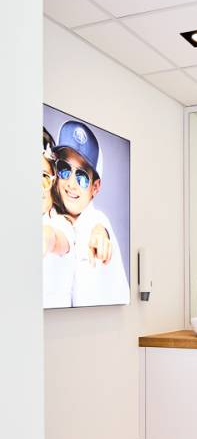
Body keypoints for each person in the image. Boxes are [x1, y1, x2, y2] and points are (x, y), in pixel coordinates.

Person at [52, 120, 129, 307]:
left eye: (82, 176)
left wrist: (102, 235)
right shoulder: (48, 214)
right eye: (64, 169)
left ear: (95, 187)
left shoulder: (98, 222)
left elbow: (99, 229)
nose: (71, 184)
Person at [42, 128, 75, 308]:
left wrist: (47, 237)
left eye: (43, 177)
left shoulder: (62, 224)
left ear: (54, 181)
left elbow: (55, 239)